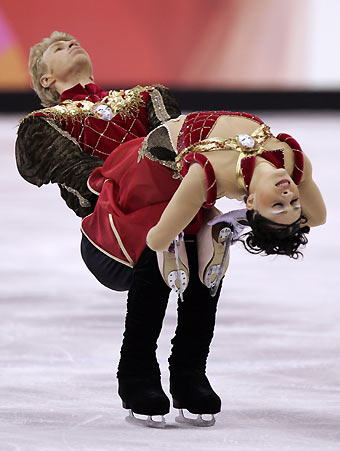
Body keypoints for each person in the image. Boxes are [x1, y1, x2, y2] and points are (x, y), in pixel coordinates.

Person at [15, 31, 224, 427]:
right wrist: (142, 170)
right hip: (111, 233)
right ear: (45, 79)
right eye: (59, 49)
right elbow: (85, 180)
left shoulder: (146, 99)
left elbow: (181, 149)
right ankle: (138, 372)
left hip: (175, 220)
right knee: (163, 232)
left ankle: (189, 371)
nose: (72, 45)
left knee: (207, 242)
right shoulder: (45, 124)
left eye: (74, 42)